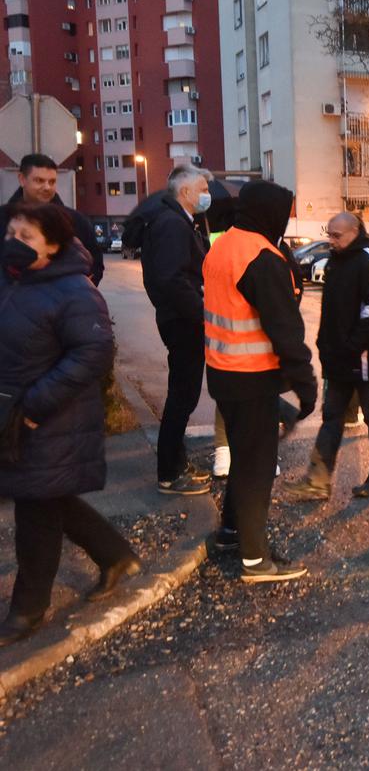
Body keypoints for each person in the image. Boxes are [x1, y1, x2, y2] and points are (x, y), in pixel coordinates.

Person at [0, 202, 139, 644]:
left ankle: (28, 611)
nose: (13, 244)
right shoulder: (12, 281)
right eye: (11, 234)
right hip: (14, 414)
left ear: (53, 246)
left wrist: (37, 407)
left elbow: (93, 353)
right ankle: (116, 555)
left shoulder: (74, 291)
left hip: (50, 418)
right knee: (48, 498)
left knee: (35, 510)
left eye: (26, 238)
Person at [203, 180, 317, 583]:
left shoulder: (223, 246)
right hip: (250, 378)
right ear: (271, 213)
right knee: (256, 468)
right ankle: (256, 560)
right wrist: (305, 385)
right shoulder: (263, 258)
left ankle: (232, 532)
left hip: (223, 373)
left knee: (243, 458)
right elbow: (285, 330)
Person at [285, 213, 369, 502]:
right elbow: (332, 310)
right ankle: (318, 480)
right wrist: (326, 344)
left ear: (355, 231)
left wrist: (352, 343)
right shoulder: (336, 260)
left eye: (337, 235)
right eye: (329, 233)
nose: (331, 240)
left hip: (365, 358)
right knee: (332, 416)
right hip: (338, 359)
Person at [123, 165, 215, 495]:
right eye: (203, 188)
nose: (208, 195)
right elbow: (171, 279)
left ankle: (177, 463)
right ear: (186, 192)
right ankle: (170, 473)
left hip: (180, 318)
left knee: (184, 395)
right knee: (182, 396)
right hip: (183, 321)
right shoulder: (172, 225)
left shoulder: (178, 222)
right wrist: (202, 314)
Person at [0, 153, 105, 286]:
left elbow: (96, 266)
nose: (47, 187)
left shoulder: (76, 221)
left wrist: (77, 288)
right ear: (22, 179)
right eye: (39, 180)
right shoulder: (3, 218)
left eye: (52, 182)